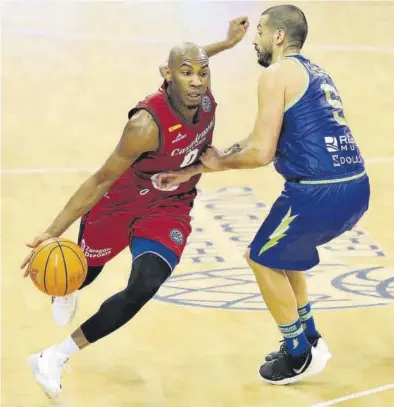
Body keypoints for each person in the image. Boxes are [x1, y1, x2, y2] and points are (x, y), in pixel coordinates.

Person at [21, 17, 250, 398]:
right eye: (186, 74)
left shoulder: (202, 94)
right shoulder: (145, 125)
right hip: (120, 201)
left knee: (144, 285)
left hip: (170, 206)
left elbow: (193, 62)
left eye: (203, 73)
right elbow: (99, 181)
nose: (196, 81)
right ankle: (69, 287)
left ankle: (55, 356)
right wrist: (53, 232)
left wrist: (225, 44)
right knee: (80, 274)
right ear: (167, 75)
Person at [157, 5, 370, 385]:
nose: (254, 39)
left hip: (319, 192)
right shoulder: (313, 71)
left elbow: (259, 153)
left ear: (279, 37)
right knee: (283, 254)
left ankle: (298, 354)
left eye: (260, 31)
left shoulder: (276, 74)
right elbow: (254, 141)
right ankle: (309, 336)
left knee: (261, 257)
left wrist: (217, 165)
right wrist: (201, 165)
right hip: (353, 186)